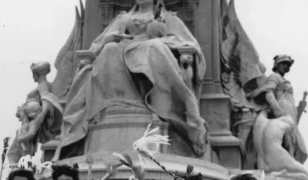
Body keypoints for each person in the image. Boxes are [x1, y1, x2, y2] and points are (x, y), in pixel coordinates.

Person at [57, 0, 208, 158]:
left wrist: (162, 39)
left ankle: (161, 105)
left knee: (154, 48)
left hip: (152, 49)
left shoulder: (168, 18)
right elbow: (98, 44)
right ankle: (111, 106)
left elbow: (187, 42)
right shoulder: (123, 18)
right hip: (124, 49)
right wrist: (109, 38)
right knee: (109, 49)